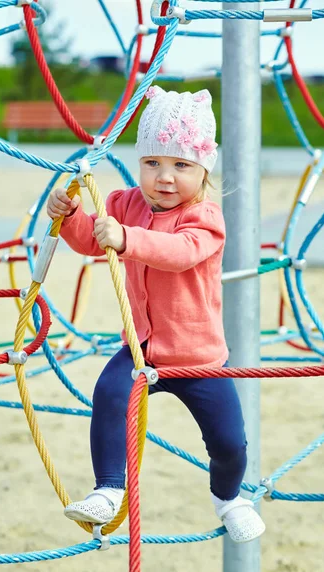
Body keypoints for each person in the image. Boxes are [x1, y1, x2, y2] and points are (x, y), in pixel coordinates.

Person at [47, 86, 265, 543]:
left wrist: (126, 239)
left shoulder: (205, 217)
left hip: (198, 357)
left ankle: (229, 497)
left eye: (181, 165)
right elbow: (93, 240)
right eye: (153, 163)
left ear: (204, 170)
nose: (165, 177)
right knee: (107, 396)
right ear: (140, 163)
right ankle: (108, 489)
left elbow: (179, 253)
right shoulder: (125, 204)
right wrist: (71, 219)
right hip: (142, 347)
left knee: (229, 443)